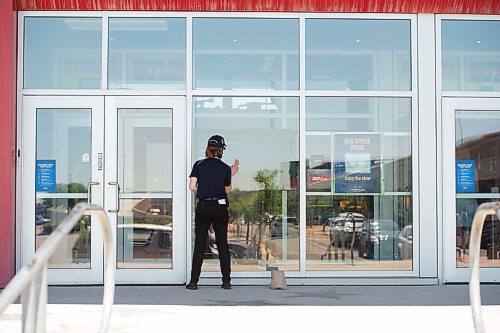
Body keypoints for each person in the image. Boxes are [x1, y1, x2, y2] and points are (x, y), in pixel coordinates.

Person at [186, 135, 239, 290]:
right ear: (221, 150)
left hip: (203, 207)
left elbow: (192, 187)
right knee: (222, 243)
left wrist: (204, 187)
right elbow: (227, 191)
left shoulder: (199, 164)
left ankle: (193, 282)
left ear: (208, 149)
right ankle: (226, 282)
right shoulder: (224, 168)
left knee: (200, 244)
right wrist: (231, 174)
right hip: (220, 207)